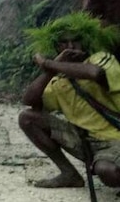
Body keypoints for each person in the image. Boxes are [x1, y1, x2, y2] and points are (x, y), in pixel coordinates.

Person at [19, 12, 120, 189]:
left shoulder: (101, 59)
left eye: (76, 40)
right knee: (27, 118)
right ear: (56, 47)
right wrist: (49, 71)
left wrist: (48, 64)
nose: (71, 47)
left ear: (85, 41)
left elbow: (94, 73)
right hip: (86, 142)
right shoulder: (58, 80)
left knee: (107, 171)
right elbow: (29, 100)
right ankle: (69, 174)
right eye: (63, 43)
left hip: (115, 139)